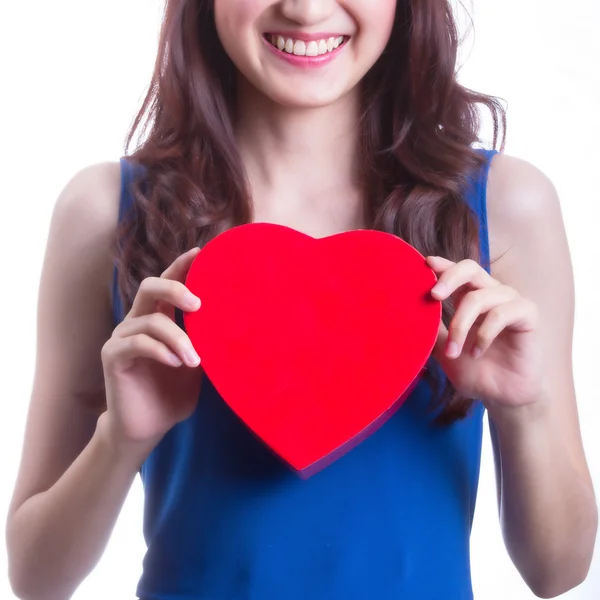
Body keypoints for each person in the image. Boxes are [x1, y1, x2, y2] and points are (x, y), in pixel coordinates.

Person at [6, 1, 597, 599]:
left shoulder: (506, 206)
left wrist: (527, 410)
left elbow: (559, 572)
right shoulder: (106, 211)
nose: (306, 9)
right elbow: (35, 577)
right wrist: (120, 440)